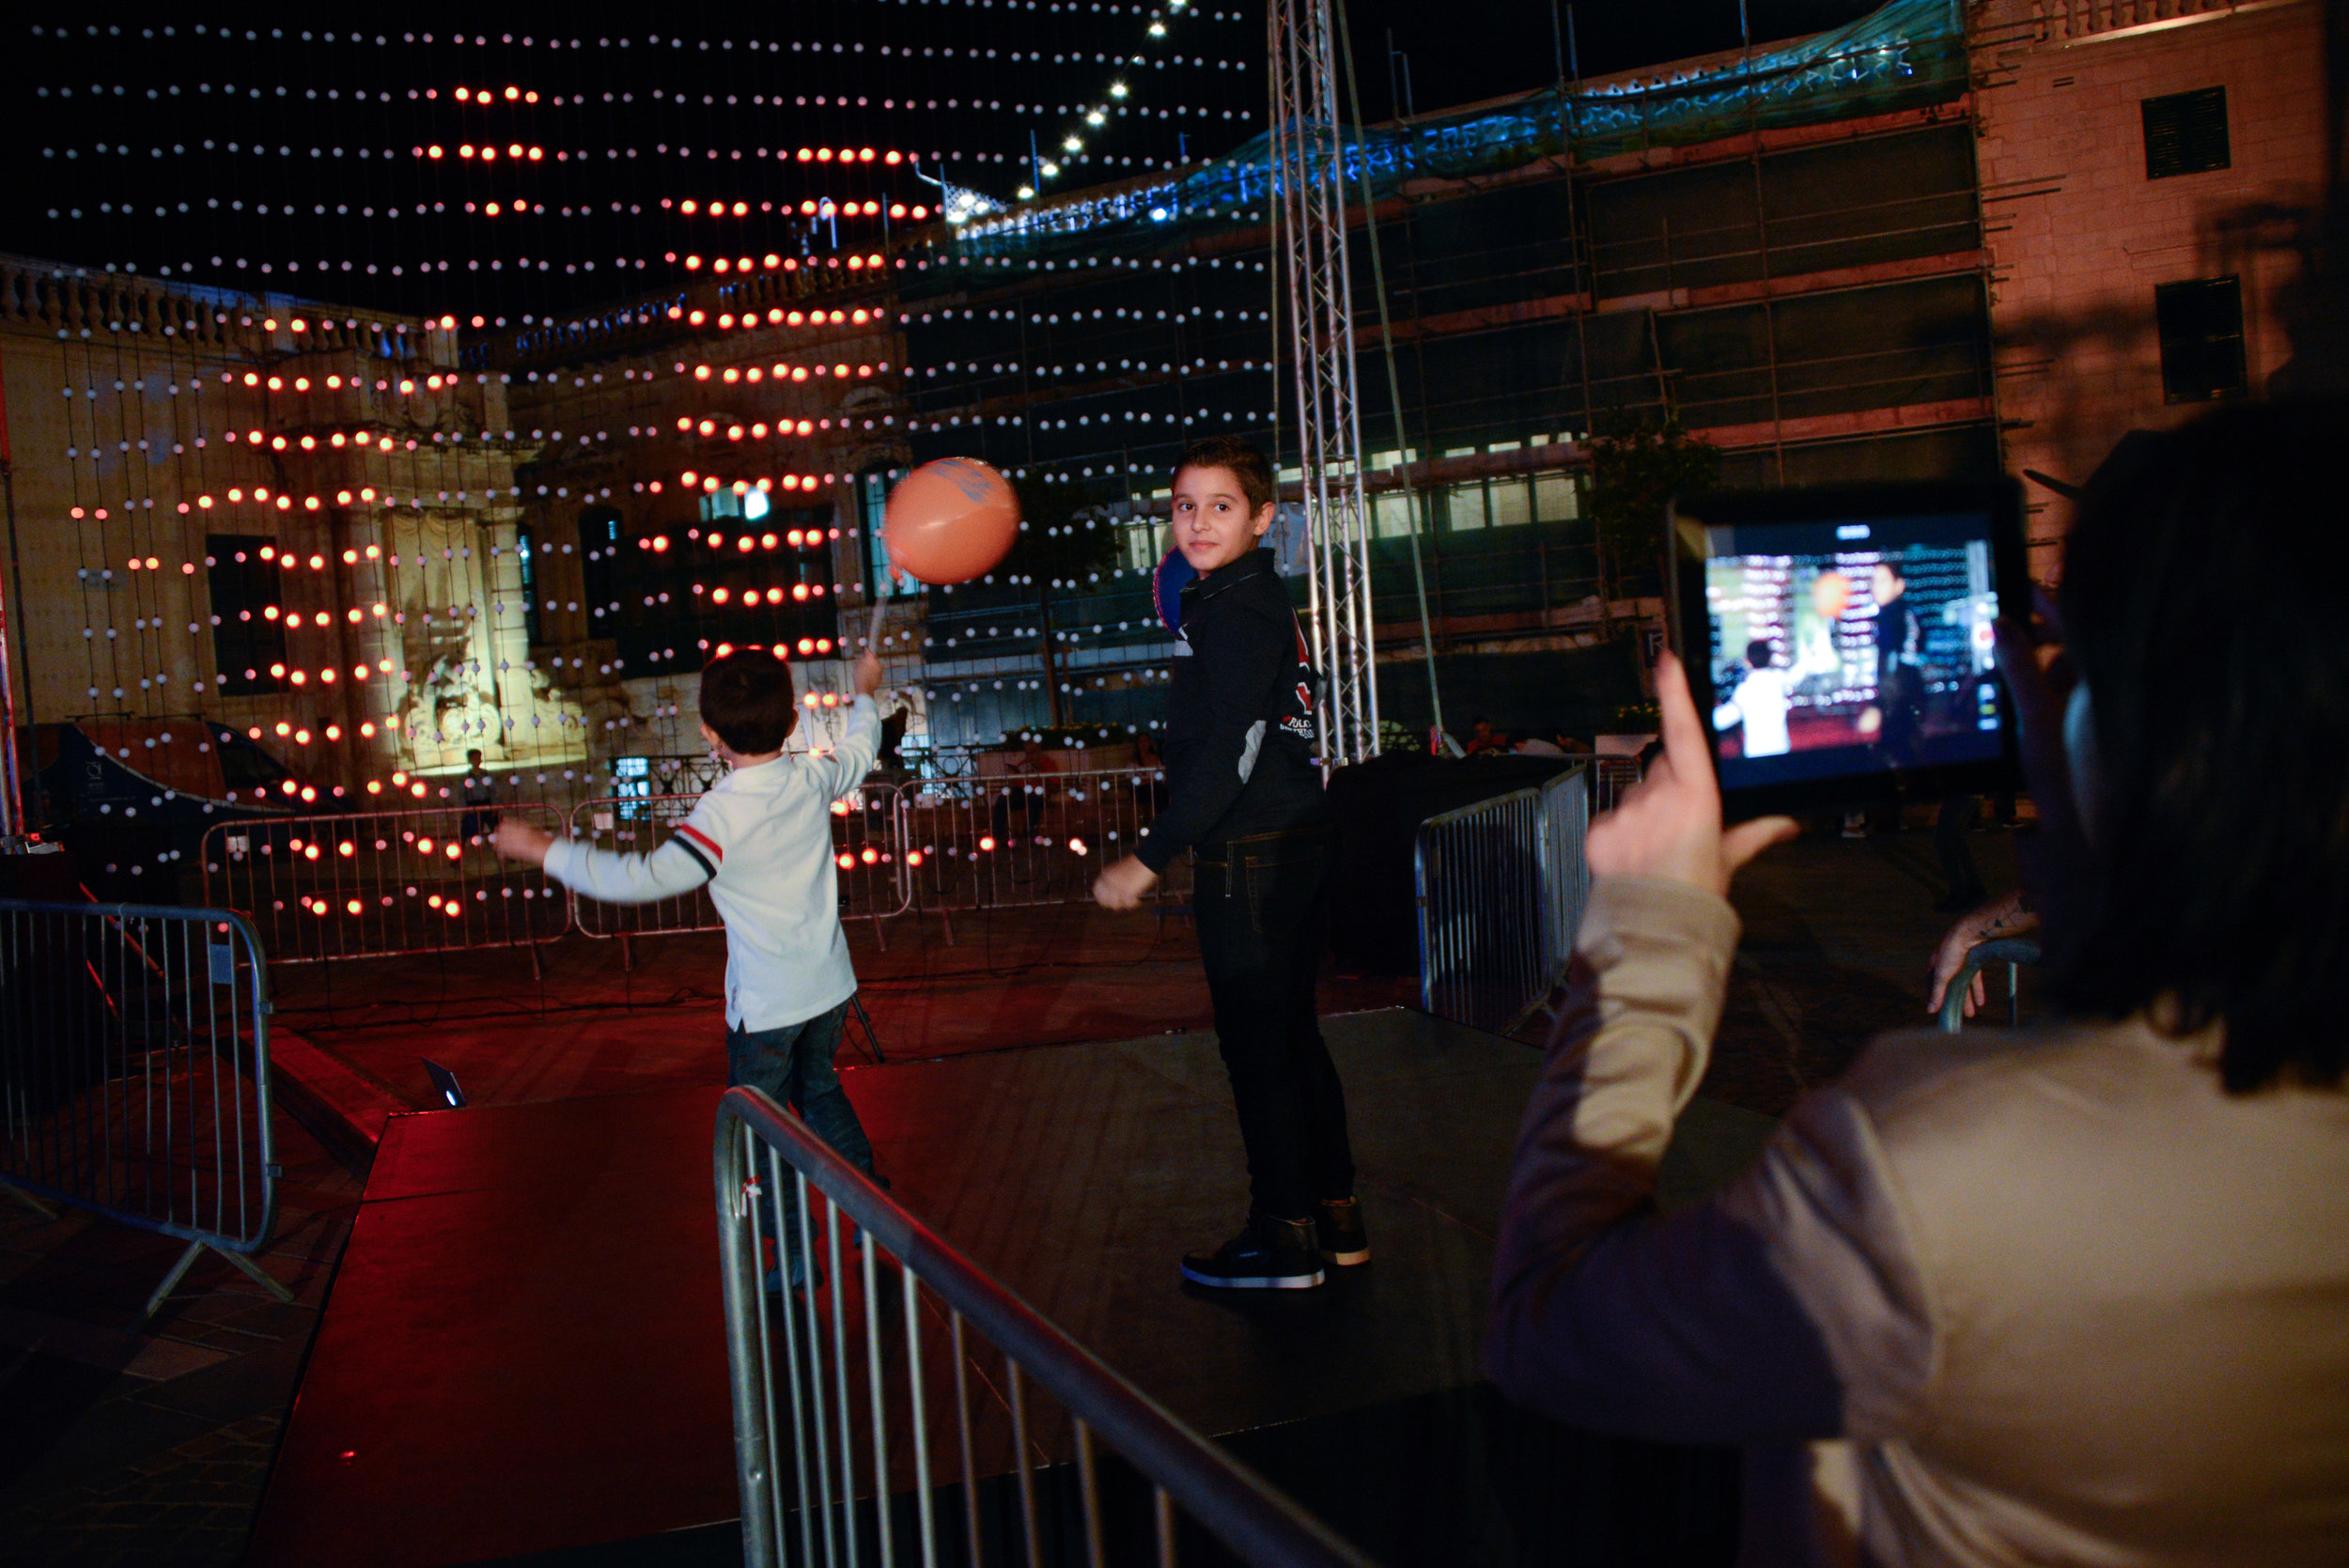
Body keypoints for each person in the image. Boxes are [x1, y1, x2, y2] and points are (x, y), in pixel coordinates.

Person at [1486, 401, 2349, 1565]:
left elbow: (1550, 1324)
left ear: (2159, 741)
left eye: (2074, 667)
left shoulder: (1939, 1164)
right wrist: (2071, 891)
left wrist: (1648, 927)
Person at [495, 647, 886, 1290]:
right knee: (821, 1092)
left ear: (709, 732)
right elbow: (861, 746)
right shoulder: (811, 778)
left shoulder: (720, 815)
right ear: (792, 723)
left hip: (765, 1009)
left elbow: (641, 877)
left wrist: (545, 848)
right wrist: (865, 692)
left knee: (767, 1131)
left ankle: (791, 1255)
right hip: (829, 987)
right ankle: (875, 1219)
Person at [1092, 435, 1361, 1291]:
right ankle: (1334, 1216)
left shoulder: (1236, 608)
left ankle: (1281, 1235)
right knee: (1291, 1035)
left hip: (1250, 851)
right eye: (1184, 506)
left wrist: (1151, 854)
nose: (1198, 522)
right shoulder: (1252, 599)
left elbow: (1234, 748)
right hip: (1288, 838)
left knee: (1257, 1048)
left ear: (1262, 517)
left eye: (1220, 506)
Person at [1867, 558, 1923, 762]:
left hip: (1900, 705)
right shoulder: (1901, 612)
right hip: (1906, 701)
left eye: (1882, 580)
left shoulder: (1893, 616)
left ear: (1899, 585)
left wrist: (1880, 705)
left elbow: (1895, 665)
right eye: (1873, 581)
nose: (1876, 587)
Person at [1712, 637, 1795, 759]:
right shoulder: (1779, 678)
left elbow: (1720, 721)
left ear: (1748, 661)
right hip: (1782, 750)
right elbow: (1795, 675)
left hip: (1755, 754)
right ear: (1770, 657)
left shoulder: (1743, 690)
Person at [459, 749, 499, 844]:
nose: (477, 760)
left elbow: (493, 791)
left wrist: (495, 806)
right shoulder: (466, 777)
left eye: (479, 758)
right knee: (466, 830)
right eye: (474, 758)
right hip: (472, 804)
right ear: (470, 760)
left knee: (496, 828)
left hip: (486, 803)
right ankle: (459, 853)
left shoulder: (486, 775)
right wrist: (464, 808)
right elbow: (462, 793)